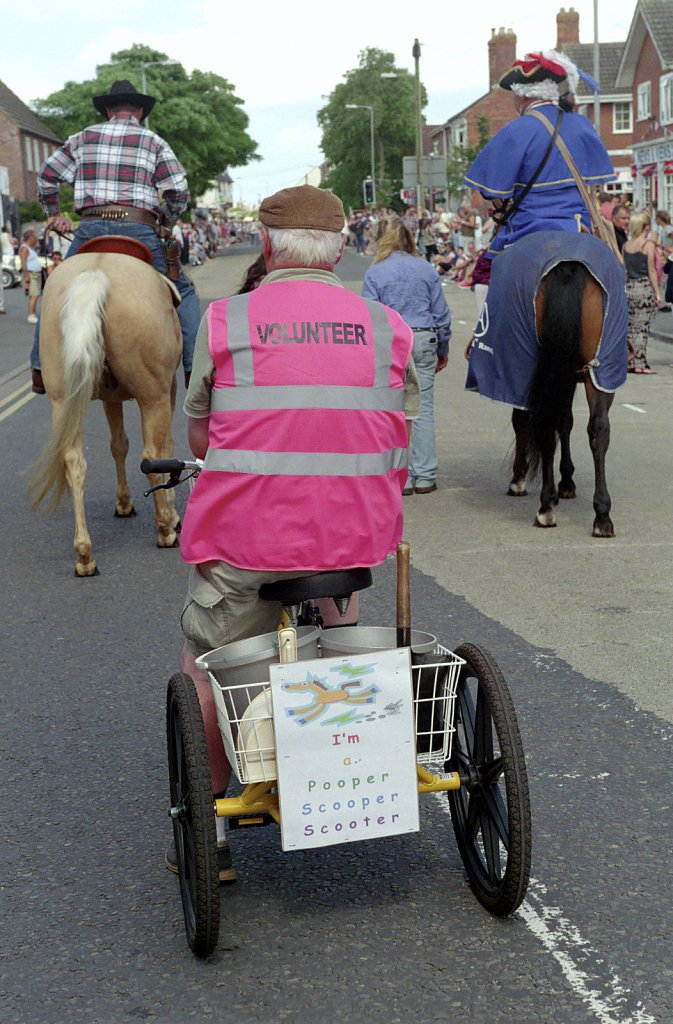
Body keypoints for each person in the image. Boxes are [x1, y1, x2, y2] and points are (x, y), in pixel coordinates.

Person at [164, 185, 419, 880]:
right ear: (341, 247)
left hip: (248, 540)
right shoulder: (386, 325)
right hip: (353, 539)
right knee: (338, 641)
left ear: (268, 246)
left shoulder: (224, 321)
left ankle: (212, 817)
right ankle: (346, 754)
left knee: (206, 665)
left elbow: (201, 434)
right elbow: (400, 430)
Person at [32, 79, 201, 394]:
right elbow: (178, 189)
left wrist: (54, 214)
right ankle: (195, 369)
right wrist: (168, 216)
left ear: (108, 110)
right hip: (140, 229)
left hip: (91, 229)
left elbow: (47, 176)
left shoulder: (82, 138)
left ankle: (40, 368)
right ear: (138, 110)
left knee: (55, 288)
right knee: (185, 292)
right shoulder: (154, 142)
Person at [464, 50, 616, 258]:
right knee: (613, 270)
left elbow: (491, 191)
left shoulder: (515, 130)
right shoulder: (582, 126)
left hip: (528, 225)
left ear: (524, 94)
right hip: (578, 223)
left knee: (495, 269)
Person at [362, 216, 451, 496]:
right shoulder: (425, 269)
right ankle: (425, 475)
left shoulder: (375, 273)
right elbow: (441, 314)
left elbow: (371, 316)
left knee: (392, 411)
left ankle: (400, 474)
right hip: (424, 337)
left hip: (393, 339)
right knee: (422, 410)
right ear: (410, 238)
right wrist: (442, 348)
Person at [623, 210, 660, 374]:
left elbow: (624, 269)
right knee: (642, 328)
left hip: (629, 287)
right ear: (645, 227)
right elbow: (651, 270)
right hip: (644, 287)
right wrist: (658, 293)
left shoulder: (626, 245)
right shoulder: (648, 245)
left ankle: (631, 361)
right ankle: (640, 363)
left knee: (631, 327)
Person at [19, 229, 43, 324]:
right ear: (30, 238)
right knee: (34, 294)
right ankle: (31, 315)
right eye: (34, 237)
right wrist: (27, 276)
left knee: (34, 294)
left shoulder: (30, 248)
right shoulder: (24, 248)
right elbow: (23, 263)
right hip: (31, 273)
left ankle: (32, 312)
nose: (35, 240)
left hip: (35, 273)